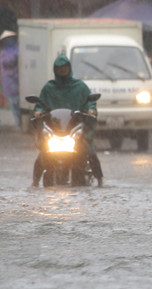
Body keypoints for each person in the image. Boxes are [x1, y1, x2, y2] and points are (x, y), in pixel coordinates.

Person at [32, 54, 103, 186]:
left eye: (64, 67)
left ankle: (100, 180)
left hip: (75, 129)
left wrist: (91, 109)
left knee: (89, 152)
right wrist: (38, 111)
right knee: (43, 155)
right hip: (55, 129)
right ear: (55, 70)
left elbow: (89, 102)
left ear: (69, 68)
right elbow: (40, 104)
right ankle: (35, 182)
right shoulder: (49, 88)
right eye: (59, 68)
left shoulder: (80, 87)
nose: (62, 70)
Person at [0, 30, 20, 128]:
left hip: (19, 82)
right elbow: (7, 64)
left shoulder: (17, 50)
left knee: (19, 105)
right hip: (9, 84)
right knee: (14, 105)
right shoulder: (3, 53)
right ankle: (19, 124)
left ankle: (21, 124)